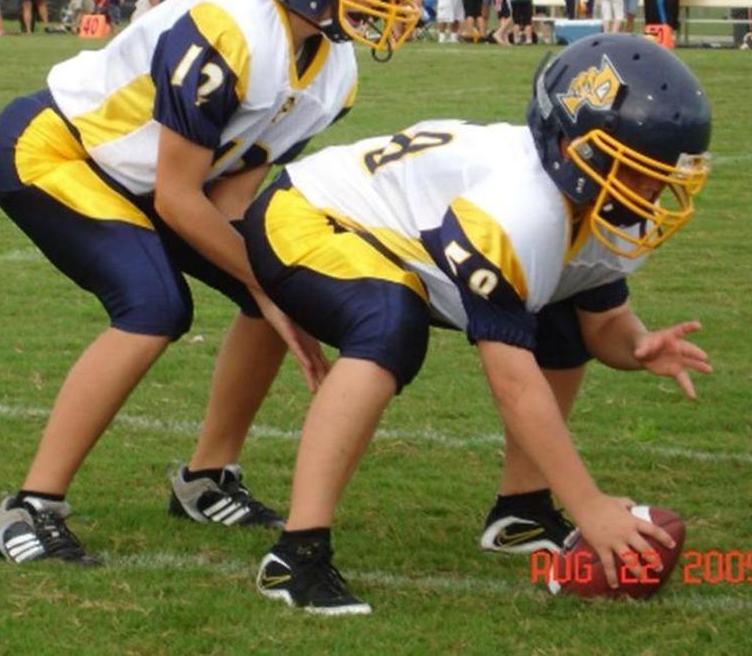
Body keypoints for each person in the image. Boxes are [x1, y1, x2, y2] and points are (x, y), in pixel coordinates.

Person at [0, 0, 425, 565]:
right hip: (59, 150)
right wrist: (266, 287)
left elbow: (229, 196)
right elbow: (178, 196)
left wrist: (274, 288)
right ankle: (29, 506)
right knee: (156, 306)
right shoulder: (229, 23)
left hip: (147, 177)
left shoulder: (334, 72)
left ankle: (206, 476)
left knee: (284, 277)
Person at [243, 33, 712, 614]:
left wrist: (637, 344)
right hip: (311, 214)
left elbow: (601, 318)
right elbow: (512, 381)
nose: (650, 192)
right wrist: (588, 504)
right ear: (571, 146)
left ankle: (522, 510)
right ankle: (297, 555)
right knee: (389, 324)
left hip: (407, 234)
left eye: (662, 174)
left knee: (558, 320)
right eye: (636, 170)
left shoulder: (605, 207)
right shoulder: (518, 208)